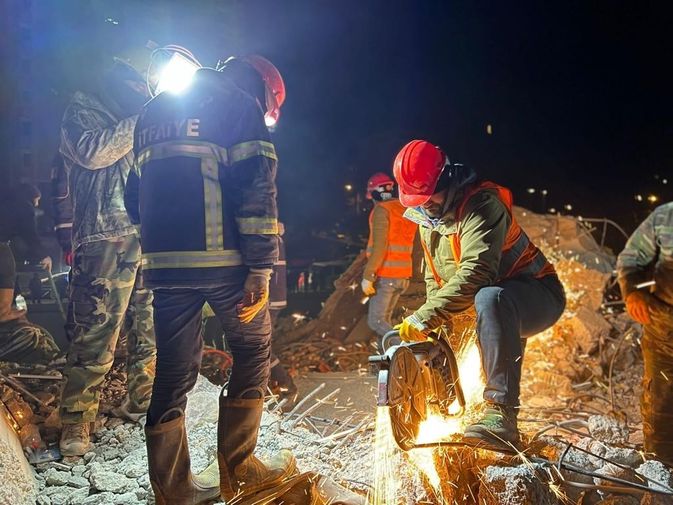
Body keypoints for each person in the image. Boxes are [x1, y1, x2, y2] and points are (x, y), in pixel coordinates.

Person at [125, 54, 296, 503]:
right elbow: (258, 190)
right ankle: (239, 473)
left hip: (164, 270)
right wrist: (260, 268)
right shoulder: (237, 105)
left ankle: (172, 490)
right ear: (261, 91)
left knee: (174, 369)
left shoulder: (152, 109)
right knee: (252, 349)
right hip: (225, 264)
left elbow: (132, 195)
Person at [392, 140, 566, 449]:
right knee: (459, 324)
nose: (424, 204)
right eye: (417, 199)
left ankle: (501, 415)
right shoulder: (428, 221)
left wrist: (424, 316)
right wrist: (432, 331)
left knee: (490, 298)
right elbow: (437, 281)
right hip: (497, 297)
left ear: (446, 178)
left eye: (428, 194)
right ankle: (453, 406)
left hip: (537, 294)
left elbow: (477, 273)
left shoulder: (482, 205)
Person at [58, 59, 157, 456]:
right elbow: (93, 151)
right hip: (104, 236)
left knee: (150, 326)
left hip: (149, 234)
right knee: (96, 329)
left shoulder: (148, 111)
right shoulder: (83, 108)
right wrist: (145, 119)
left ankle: (144, 400)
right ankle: (76, 421)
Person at [616, 201, 673, 466]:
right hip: (664, 328)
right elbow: (630, 259)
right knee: (661, 412)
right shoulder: (666, 217)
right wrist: (634, 291)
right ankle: (659, 478)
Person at [0, 183, 59, 363]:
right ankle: (5, 313)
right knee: (6, 267)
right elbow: (30, 235)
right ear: (33, 197)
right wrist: (43, 256)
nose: (37, 204)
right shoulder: (25, 208)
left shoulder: (7, 205)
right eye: (38, 200)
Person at [361, 172, 417, 343]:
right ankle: (391, 362)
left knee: (376, 322)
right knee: (386, 322)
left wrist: (368, 276)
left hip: (386, 276)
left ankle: (410, 349)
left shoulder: (382, 209)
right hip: (403, 276)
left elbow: (380, 247)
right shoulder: (404, 210)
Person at [268, 222, 298, 408]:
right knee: (260, 347)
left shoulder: (268, 240)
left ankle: (285, 385)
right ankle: (278, 386)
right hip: (269, 300)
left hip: (266, 301)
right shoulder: (273, 238)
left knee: (259, 348)